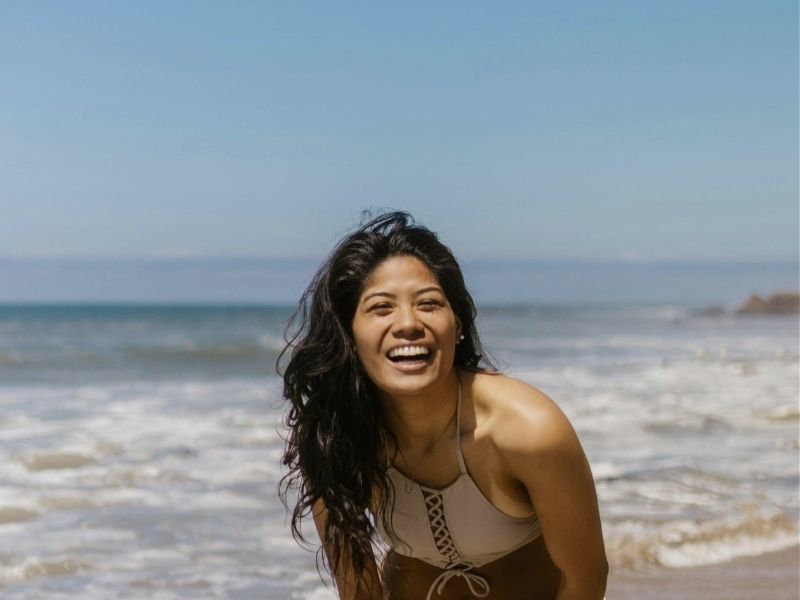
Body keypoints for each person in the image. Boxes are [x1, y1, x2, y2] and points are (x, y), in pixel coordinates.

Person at [279, 211, 608, 599]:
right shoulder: (334, 437)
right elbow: (359, 591)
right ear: (350, 335)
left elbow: (585, 579)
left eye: (429, 304)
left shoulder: (526, 430)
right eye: (381, 307)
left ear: (458, 325)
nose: (408, 324)